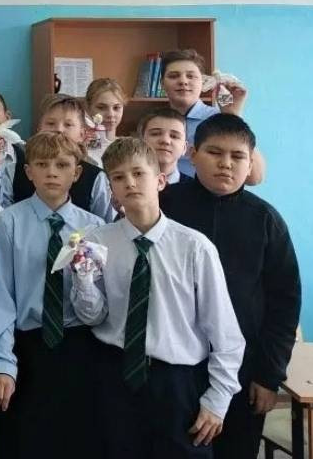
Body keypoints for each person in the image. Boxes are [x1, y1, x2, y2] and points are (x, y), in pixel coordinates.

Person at [71, 137, 245, 458]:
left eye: (139, 173)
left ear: (161, 181)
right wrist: (83, 280)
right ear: (112, 189)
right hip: (115, 373)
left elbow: (225, 333)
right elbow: (92, 316)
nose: (130, 183)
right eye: (119, 177)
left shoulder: (194, 247)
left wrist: (218, 400)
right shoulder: (96, 242)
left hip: (176, 381)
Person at [161, 114, 301, 459]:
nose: (226, 164)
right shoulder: (164, 206)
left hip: (243, 371)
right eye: (214, 152)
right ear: (192, 154)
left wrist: (269, 376)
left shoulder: (266, 220)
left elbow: (285, 303)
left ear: (250, 163)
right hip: (171, 368)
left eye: (238, 156)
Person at [0, 131, 105, 459]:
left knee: (76, 439)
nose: (52, 172)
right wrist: (2, 362)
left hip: (80, 346)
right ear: (28, 172)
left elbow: (100, 304)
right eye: (42, 164)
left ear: (76, 173)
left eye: (62, 165)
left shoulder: (94, 228)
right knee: (26, 439)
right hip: (28, 346)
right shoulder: (9, 221)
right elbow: (1, 295)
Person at [0, 94, 115, 222]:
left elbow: (107, 225)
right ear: (39, 130)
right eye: (51, 123)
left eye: (68, 125)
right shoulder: (14, 171)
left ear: (82, 134)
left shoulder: (96, 177)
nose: (59, 130)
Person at [159, 49, 265, 183]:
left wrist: (233, 116)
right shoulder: (155, 122)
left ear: (203, 82)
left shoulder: (220, 119)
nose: (183, 81)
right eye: (174, 76)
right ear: (162, 84)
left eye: (191, 76)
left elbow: (254, 178)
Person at [137, 108, 191, 186]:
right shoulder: (125, 184)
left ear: (184, 148)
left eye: (174, 136)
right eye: (155, 134)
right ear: (140, 142)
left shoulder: (198, 191)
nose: (165, 140)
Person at [85, 78, 126, 167]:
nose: (110, 114)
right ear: (88, 108)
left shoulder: (128, 147)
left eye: (116, 108)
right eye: (101, 108)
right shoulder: (80, 147)